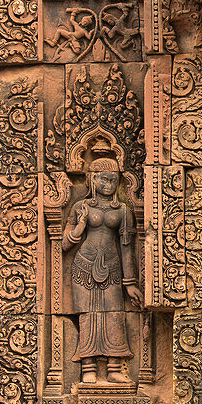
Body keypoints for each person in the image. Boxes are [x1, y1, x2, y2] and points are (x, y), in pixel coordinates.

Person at [62, 157, 142, 383]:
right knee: (87, 314)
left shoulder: (123, 210)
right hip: (83, 266)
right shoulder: (81, 207)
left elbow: (126, 248)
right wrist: (80, 225)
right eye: (104, 179)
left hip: (112, 268)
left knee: (115, 313)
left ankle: (114, 368)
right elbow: (64, 244)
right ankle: (88, 368)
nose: (109, 185)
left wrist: (130, 283)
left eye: (114, 181)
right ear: (92, 178)